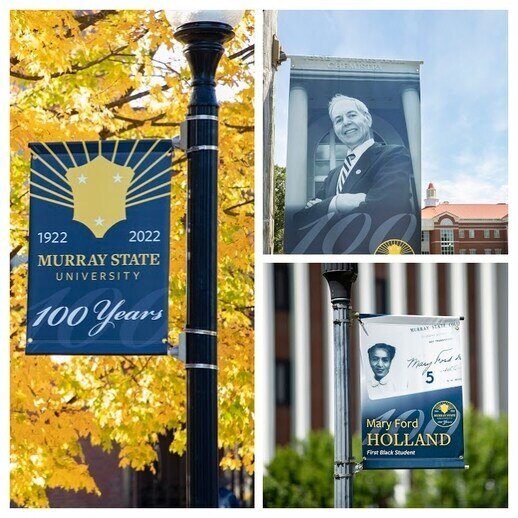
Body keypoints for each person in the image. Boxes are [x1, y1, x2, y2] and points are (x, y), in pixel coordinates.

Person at [294, 95, 418, 233]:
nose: (346, 122)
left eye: (351, 115)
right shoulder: (333, 175)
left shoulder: (393, 155)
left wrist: (322, 208)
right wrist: (338, 202)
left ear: (368, 119)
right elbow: (300, 220)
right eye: (338, 120)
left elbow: (387, 208)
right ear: (335, 128)